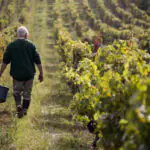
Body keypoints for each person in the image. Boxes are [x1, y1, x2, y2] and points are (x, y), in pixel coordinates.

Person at [0, 26, 43, 118]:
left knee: (17, 92)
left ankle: (18, 105)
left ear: (17, 35)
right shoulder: (31, 45)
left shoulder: (11, 45)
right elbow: (38, 60)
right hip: (29, 74)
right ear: (26, 35)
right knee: (27, 93)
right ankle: (24, 111)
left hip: (17, 74)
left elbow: (5, 62)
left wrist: (0, 72)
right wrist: (41, 73)